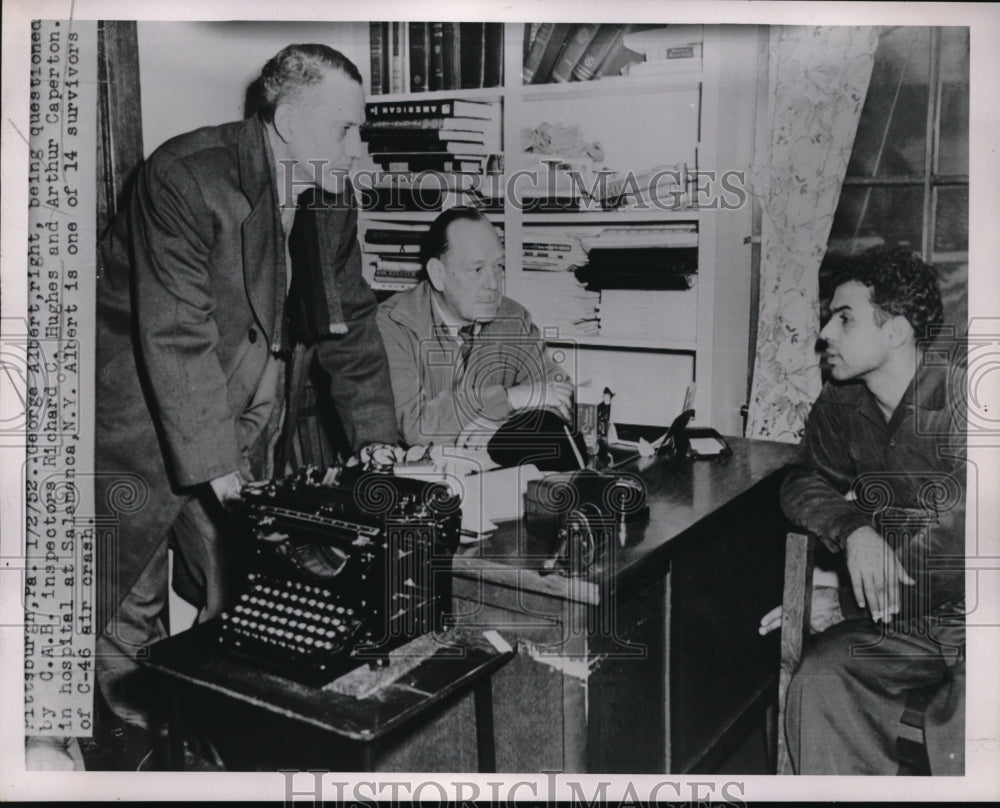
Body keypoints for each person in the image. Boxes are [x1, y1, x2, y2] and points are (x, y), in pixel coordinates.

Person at [94, 44, 398, 753]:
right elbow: (175, 334)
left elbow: (349, 324)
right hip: (139, 414)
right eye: (344, 130)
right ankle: (138, 751)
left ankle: (210, 740)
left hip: (244, 403)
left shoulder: (330, 198)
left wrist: (378, 436)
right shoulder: (186, 174)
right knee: (127, 597)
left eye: (360, 131)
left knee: (239, 587)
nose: (357, 150)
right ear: (287, 119)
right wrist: (221, 469)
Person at [767, 246, 965, 775]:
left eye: (844, 318)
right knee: (822, 681)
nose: (825, 334)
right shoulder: (842, 401)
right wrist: (854, 531)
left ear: (896, 330)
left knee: (968, 732)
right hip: (906, 623)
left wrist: (850, 601)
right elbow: (803, 480)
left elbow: (963, 535)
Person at [375, 206, 573, 448]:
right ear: (438, 274)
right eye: (477, 269)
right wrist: (509, 398)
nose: (492, 284)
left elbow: (560, 398)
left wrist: (500, 429)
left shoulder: (513, 318)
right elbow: (416, 428)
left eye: (498, 267)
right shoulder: (393, 324)